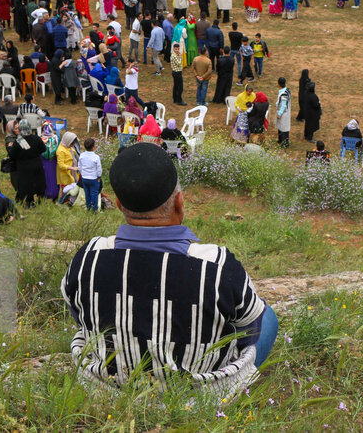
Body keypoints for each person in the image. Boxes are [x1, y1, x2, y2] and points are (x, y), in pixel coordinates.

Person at [60, 142, 277, 396]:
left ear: (119, 205)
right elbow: (250, 329)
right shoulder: (216, 265)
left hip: (108, 390)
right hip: (200, 400)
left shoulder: (89, 256)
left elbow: (79, 316)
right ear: (179, 203)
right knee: (267, 315)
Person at [6, 119, 46, 208]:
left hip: (23, 167)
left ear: (20, 129)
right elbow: (43, 149)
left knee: (26, 185)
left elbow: (12, 155)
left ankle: (29, 202)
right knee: (39, 182)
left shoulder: (18, 142)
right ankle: (41, 200)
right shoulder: (36, 138)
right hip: (36, 165)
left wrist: (10, 148)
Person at [78, 137, 102, 212]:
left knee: (87, 193)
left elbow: (79, 167)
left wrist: (82, 174)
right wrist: (99, 176)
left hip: (84, 178)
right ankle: (94, 209)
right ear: (93, 147)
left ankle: (88, 207)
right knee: (94, 194)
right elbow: (99, 168)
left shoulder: (82, 155)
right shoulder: (96, 157)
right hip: (93, 178)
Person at [275, 77, 291, 147]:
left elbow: (284, 105)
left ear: (278, 84)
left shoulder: (284, 93)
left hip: (284, 113)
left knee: (283, 128)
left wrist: (280, 113)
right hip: (284, 112)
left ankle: (284, 142)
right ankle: (280, 140)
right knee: (280, 127)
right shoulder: (286, 90)